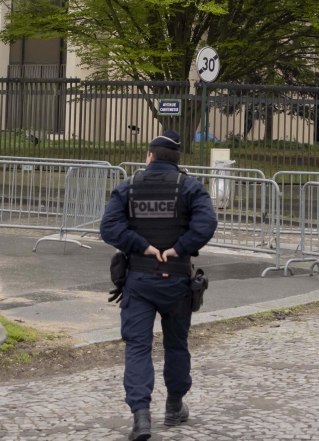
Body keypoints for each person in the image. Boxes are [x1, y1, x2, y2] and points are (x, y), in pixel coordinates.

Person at [100, 129, 218, 441]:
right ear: (177, 160)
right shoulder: (190, 187)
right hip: (177, 279)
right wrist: (179, 247)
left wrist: (140, 245)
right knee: (176, 345)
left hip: (139, 280)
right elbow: (207, 223)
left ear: (149, 156)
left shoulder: (129, 187)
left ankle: (141, 418)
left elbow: (109, 227)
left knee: (138, 347)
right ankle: (174, 406)